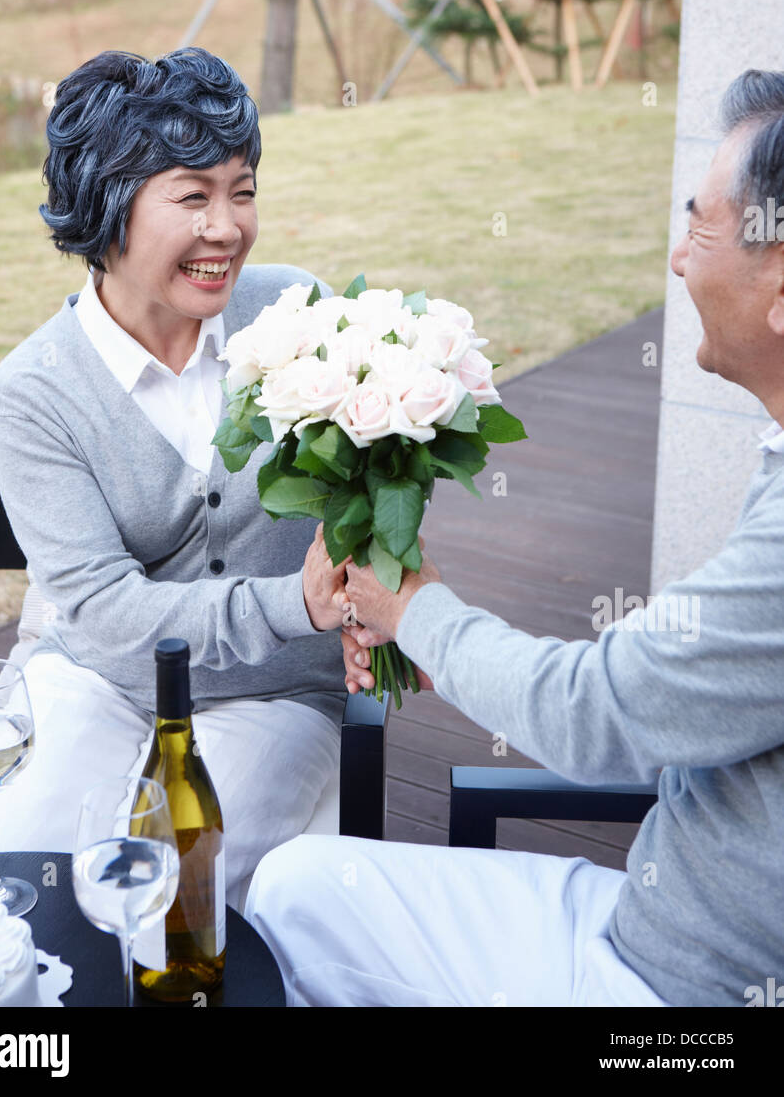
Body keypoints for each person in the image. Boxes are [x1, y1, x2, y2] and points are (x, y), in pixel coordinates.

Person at [244, 68, 784, 1007]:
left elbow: (599, 714)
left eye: (699, 229)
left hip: (679, 993)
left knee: (288, 911)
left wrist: (410, 609)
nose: (678, 262)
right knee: (293, 886)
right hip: (656, 913)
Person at [0, 47, 351, 907]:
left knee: (164, 885)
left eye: (243, 189)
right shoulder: (35, 389)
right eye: (193, 196)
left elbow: (369, 493)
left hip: (275, 693)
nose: (227, 226)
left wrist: (370, 567)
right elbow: (110, 616)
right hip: (97, 678)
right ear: (106, 209)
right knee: (29, 877)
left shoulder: (299, 310)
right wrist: (294, 604)